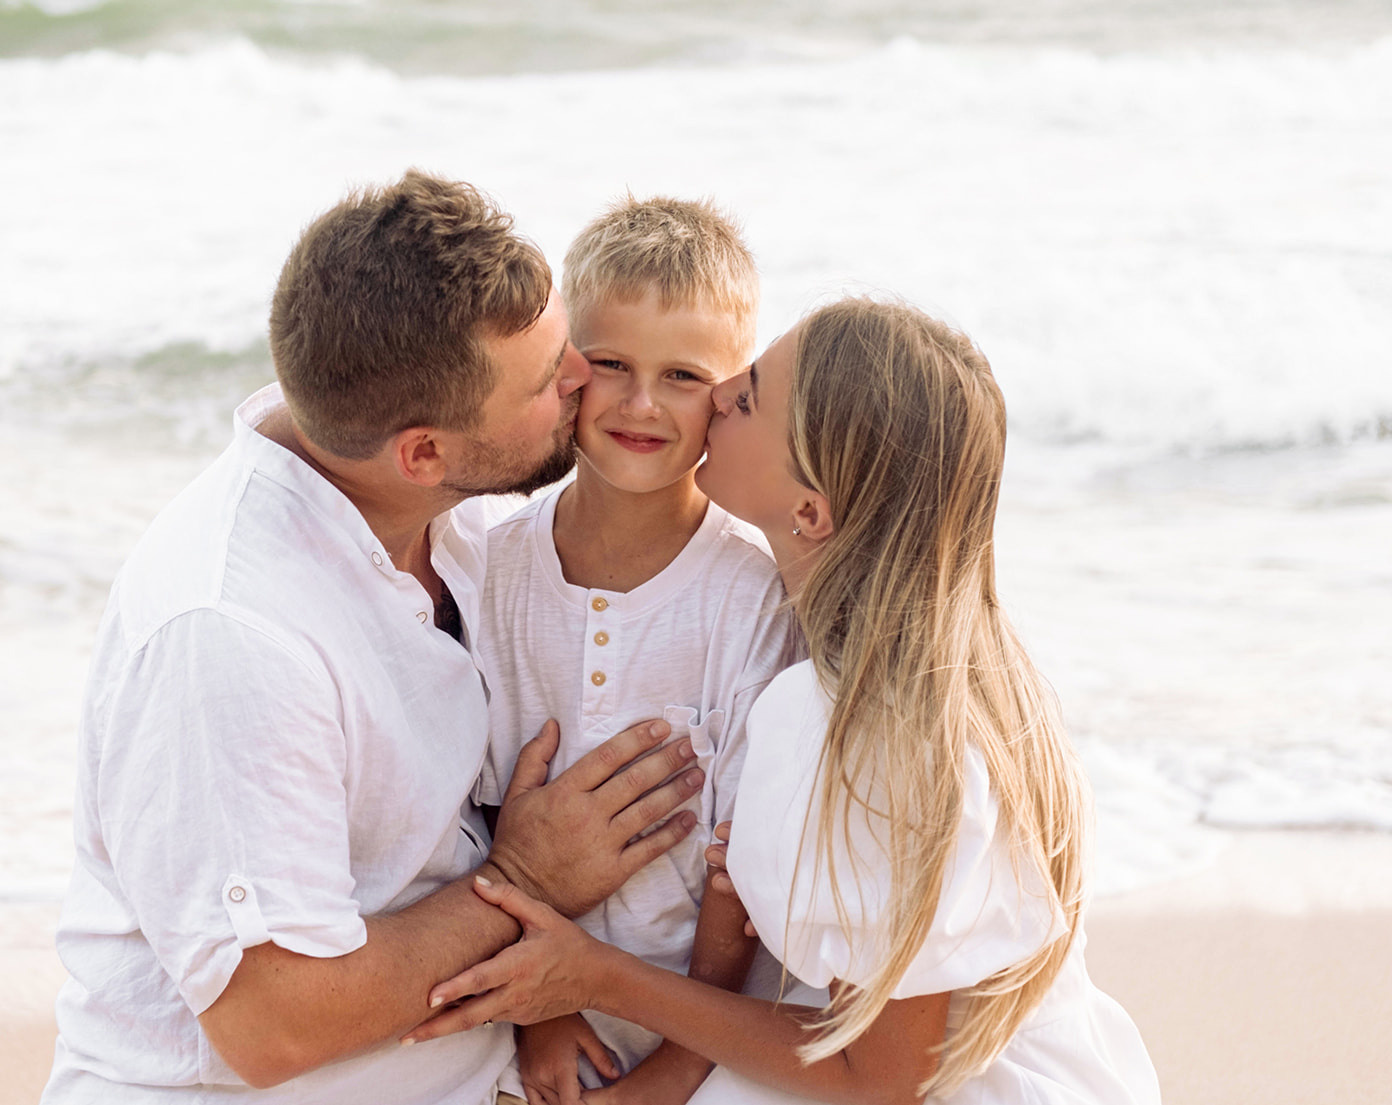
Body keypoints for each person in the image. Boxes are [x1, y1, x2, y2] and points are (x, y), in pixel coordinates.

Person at [40, 170, 710, 1105]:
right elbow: (273, 1022)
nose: (581, 378)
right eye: (545, 380)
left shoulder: (448, 510)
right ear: (423, 452)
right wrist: (526, 878)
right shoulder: (233, 635)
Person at [406, 297, 1162, 1105]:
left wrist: (595, 976)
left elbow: (884, 1077)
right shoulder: (922, 664)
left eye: (751, 395)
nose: (721, 390)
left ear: (809, 511)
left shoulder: (863, 726)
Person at [474, 196, 820, 1105]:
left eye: (682, 376)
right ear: (566, 365)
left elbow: (737, 866)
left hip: (704, 1032)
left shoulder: (751, 595)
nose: (640, 404)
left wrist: (673, 1071)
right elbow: (479, 816)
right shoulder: (492, 569)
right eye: (613, 364)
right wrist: (541, 1012)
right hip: (525, 1012)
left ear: (730, 393)